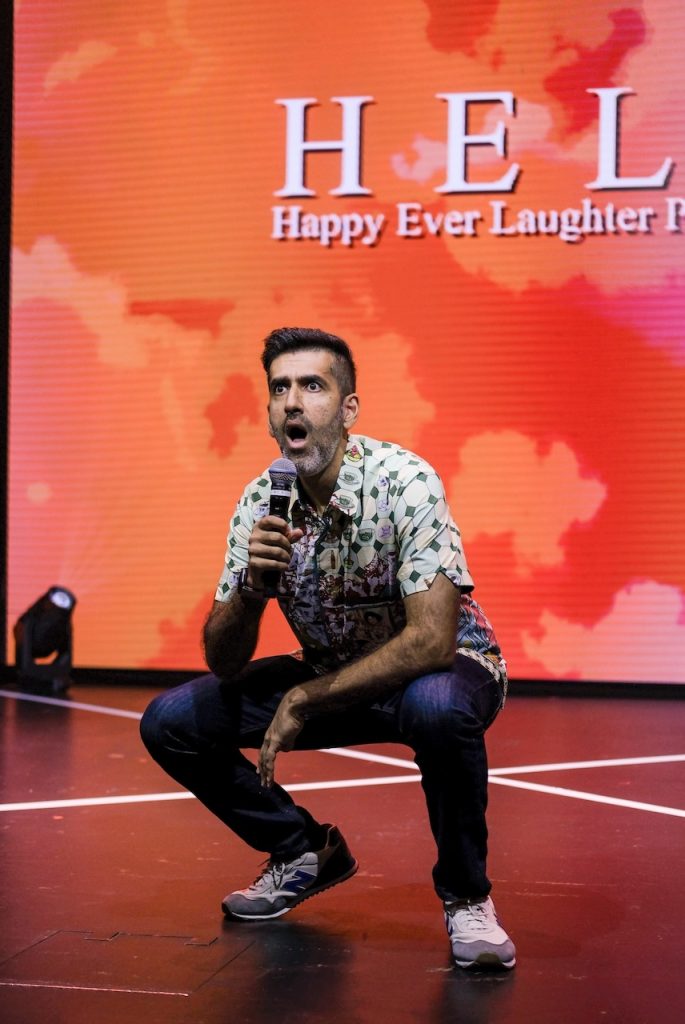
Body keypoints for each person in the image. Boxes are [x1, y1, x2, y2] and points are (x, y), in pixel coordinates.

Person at [140, 326, 516, 971]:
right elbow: (224, 662)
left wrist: (306, 699)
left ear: (348, 409)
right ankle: (302, 851)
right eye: (279, 388)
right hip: (332, 671)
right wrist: (252, 590)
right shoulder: (261, 502)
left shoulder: (404, 481)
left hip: (442, 668)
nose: (292, 401)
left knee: (436, 709)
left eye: (312, 386)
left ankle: (467, 897)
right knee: (170, 722)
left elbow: (431, 641)